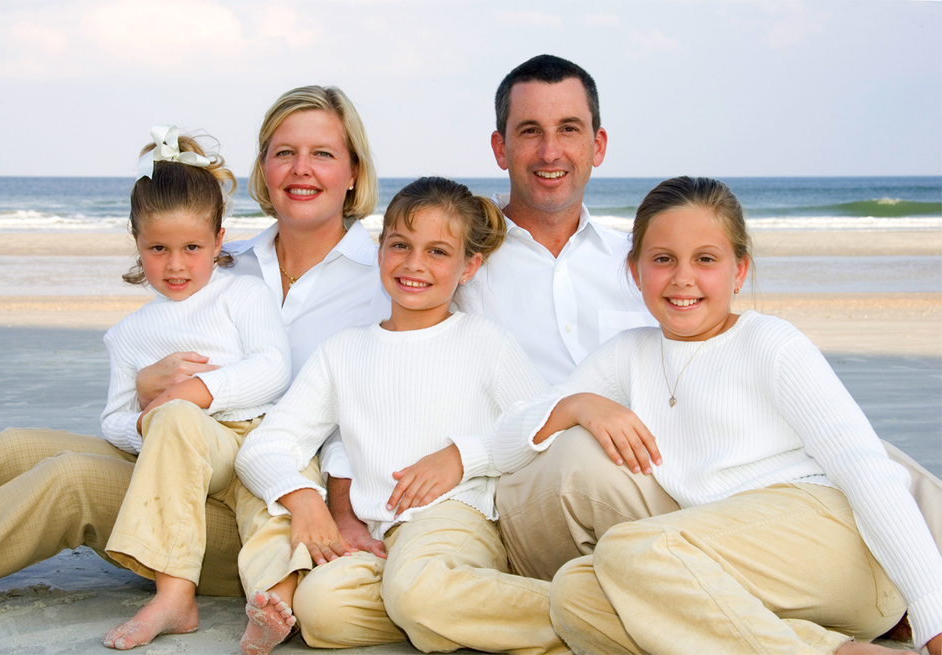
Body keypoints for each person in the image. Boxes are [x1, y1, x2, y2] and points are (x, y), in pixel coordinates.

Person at [467, 53, 942, 584]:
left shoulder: (647, 259)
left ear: (597, 145)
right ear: (500, 147)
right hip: (565, 474)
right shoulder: (460, 268)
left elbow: (708, 353)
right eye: (530, 131)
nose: (550, 151)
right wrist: (575, 408)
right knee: (580, 459)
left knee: (869, 458)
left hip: (684, 465)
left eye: (569, 129)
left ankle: (906, 584)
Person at [0, 85, 390, 602]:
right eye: (285, 152)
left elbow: (372, 418)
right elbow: (151, 381)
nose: (301, 169)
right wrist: (143, 386)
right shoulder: (222, 261)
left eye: (323, 154)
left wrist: (343, 511)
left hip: (273, 507)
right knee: (15, 448)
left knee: (71, 481)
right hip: (176, 463)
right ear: (263, 166)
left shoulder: (386, 283)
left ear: (354, 171)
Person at [495, 176, 942, 655]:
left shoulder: (770, 343)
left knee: (629, 549)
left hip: (834, 543)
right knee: (577, 594)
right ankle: (832, 650)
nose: (682, 277)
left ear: (739, 270)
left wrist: (932, 616)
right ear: (635, 271)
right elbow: (509, 435)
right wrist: (577, 405)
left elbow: (865, 469)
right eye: (663, 259)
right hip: (732, 561)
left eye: (705, 259)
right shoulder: (629, 354)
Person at [234, 177, 566, 654]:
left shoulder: (483, 340)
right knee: (320, 610)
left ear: (469, 267)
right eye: (400, 245)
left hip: (455, 518)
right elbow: (265, 445)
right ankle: (435, 606)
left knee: (416, 588)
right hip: (378, 536)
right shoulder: (342, 351)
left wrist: (463, 456)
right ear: (380, 250)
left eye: (438, 252)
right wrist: (305, 501)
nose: (414, 264)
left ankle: (589, 609)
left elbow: (543, 426)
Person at [96, 126, 294, 649]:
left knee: (273, 515)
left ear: (219, 240)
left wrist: (193, 392)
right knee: (176, 421)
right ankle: (174, 596)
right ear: (137, 243)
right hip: (185, 448)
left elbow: (274, 366)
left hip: (258, 436)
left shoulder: (243, 295)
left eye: (192, 247)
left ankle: (273, 604)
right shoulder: (129, 334)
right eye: (158, 248)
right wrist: (153, 418)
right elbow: (113, 420)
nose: (176, 264)